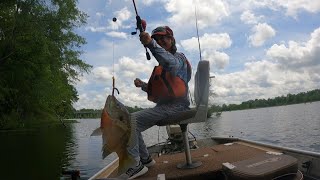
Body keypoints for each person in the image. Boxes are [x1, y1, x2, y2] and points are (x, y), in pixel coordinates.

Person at [121, 26, 192, 179]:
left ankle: (135, 165)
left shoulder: (179, 58)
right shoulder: (162, 65)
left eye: (163, 38)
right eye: (157, 39)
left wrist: (151, 44)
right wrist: (143, 86)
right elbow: (159, 93)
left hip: (178, 107)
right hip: (165, 107)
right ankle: (145, 160)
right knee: (131, 122)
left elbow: (171, 64)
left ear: (172, 39)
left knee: (131, 120)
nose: (160, 41)